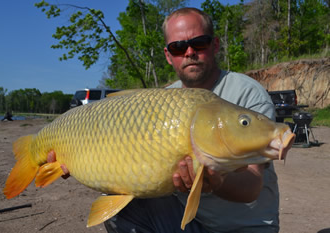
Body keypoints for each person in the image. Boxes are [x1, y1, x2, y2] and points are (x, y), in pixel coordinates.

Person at [48, 7, 282, 233]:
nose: (189, 52)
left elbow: (252, 186)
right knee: (123, 211)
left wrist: (217, 182)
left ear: (215, 45)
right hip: (186, 219)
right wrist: (75, 158)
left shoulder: (247, 94)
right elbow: (121, 148)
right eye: (178, 47)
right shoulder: (164, 97)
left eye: (199, 43)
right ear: (168, 56)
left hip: (243, 227)